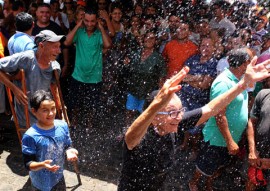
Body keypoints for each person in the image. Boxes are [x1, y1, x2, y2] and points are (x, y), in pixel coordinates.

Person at [118, 55, 270, 191]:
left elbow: (211, 108)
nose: (179, 117)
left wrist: (242, 85)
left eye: (180, 111)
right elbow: (131, 136)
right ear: (155, 117)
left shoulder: (175, 123)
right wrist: (156, 104)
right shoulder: (139, 135)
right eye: (172, 113)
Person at [189, 48, 256, 191]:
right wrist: (229, 141)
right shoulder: (223, 83)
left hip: (230, 137)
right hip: (217, 138)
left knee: (217, 165)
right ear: (244, 64)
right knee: (204, 165)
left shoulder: (241, 80)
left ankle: (208, 184)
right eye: (251, 62)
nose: (253, 65)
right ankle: (193, 183)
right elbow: (220, 115)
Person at [0, 30, 62, 127]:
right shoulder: (26, 58)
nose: (59, 51)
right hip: (25, 118)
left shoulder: (55, 66)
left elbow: (54, 87)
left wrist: (60, 107)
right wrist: (14, 89)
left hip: (45, 117)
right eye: (55, 47)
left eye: (59, 47)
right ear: (41, 46)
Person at [22, 90, 78, 191]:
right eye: (45, 110)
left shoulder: (63, 126)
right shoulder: (30, 136)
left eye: (53, 108)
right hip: (40, 183)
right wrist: (42, 165)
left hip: (58, 177)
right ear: (34, 111)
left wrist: (70, 151)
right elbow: (28, 164)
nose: (51, 113)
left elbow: (68, 145)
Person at [64, 8, 112, 127]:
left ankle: (89, 124)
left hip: (95, 77)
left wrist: (101, 27)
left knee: (92, 105)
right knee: (74, 103)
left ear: (96, 21)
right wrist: (78, 25)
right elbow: (66, 42)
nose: (89, 24)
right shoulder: (79, 32)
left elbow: (108, 45)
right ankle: (74, 122)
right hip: (78, 75)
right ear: (82, 20)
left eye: (92, 21)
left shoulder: (99, 33)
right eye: (86, 21)